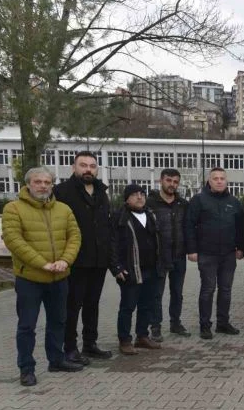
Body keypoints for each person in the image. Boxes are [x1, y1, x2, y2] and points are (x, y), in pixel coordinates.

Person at [3, 167, 85, 385]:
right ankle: (26, 368)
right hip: (30, 278)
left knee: (58, 321)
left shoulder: (63, 209)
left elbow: (74, 237)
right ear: (28, 184)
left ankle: (56, 360)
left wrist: (65, 261)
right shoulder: (13, 209)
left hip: (59, 277)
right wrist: (43, 264)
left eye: (47, 182)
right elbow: (14, 241)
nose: (43, 186)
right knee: (27, 326)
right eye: (38, 182)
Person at [54, 151, 112, 364]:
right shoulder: (62, 192)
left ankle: (90, 344)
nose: (88, 169)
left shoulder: (101, 192)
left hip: (98, 260)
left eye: (92, 166)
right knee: (72, 305)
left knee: (92, 304)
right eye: (83, 165)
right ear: (73, 167)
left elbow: (106, 225)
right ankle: (69, 348)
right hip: (75, 260)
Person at [185, 167, 244, 339]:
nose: (219, 181)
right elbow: (189, 226)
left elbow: (240, 227)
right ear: (209, 181)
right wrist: (192, 250)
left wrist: (240, 248)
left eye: (222, 178)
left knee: (226, 290)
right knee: (208, 290)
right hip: (206, 254)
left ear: (227, 181)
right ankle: (205, 325)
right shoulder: (199, 200)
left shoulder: (234, 202)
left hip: (228, 254)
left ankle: (223, 323)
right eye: (215, 178)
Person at [109, 184, 163, 355]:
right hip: (130, 270)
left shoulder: (150, 215)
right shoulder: (120, 217)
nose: (139, 197)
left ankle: (142, 336)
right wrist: (116, 267)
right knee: (128, 306)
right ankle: (124, 340)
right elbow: (112, 244)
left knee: (147, 305)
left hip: (152, 269)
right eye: (134, 195)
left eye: (142, 194)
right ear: (127, 198)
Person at [146, 168, 190, 340]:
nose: (172, 185)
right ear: (161, 181)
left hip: (179, 255)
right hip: (159, 256)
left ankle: (175, 323)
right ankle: (155, 326)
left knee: (177, 292)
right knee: (156, 293)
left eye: (175, 182)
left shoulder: (183, 204)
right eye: (169, 180)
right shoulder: (150, 204)